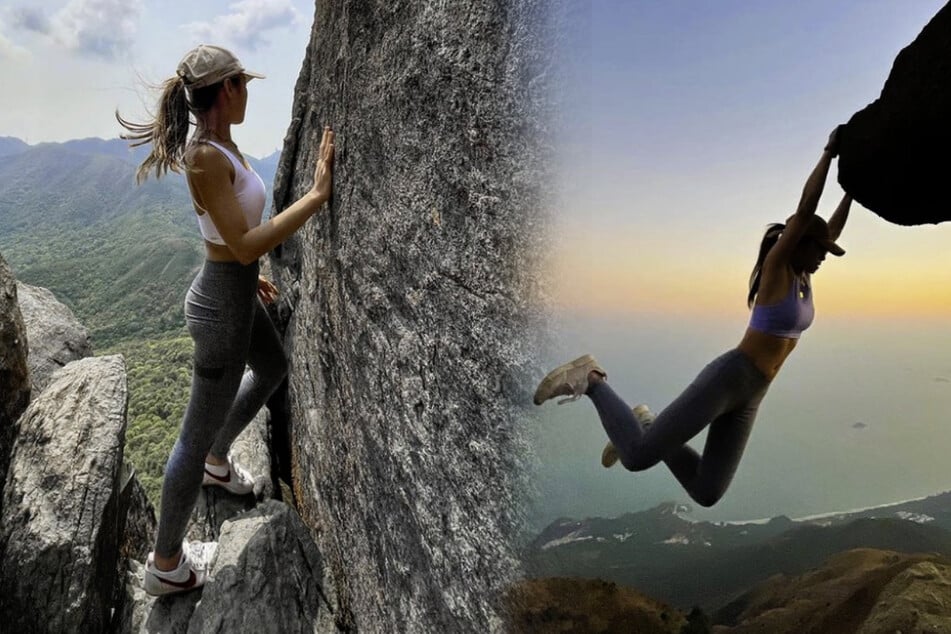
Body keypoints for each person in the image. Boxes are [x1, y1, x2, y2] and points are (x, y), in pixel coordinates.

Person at [534, 128, 851, 508]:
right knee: (636, 457)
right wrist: (829, 155)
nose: (825, 256)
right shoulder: (778, 266)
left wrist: (853, 190)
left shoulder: (804, 276)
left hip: (754, 392)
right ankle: (591, 380)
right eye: (820, 249)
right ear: (799, 243)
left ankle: (647, 423)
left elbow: (828, 228)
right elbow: (805, 211)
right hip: (731, 376)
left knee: (707, 491)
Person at [117, 44, 335, 595]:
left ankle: (220, 459)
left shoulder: (223, 145)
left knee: (271, 365)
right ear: (227, 88)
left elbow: (231, 234)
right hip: (219, 311)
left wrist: (252, 270)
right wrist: (314, 197)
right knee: (191, 436)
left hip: (235, 294)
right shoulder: (204, 156)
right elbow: (238, 245)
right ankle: (166, 563)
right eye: (244, 83)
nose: (249, 93)